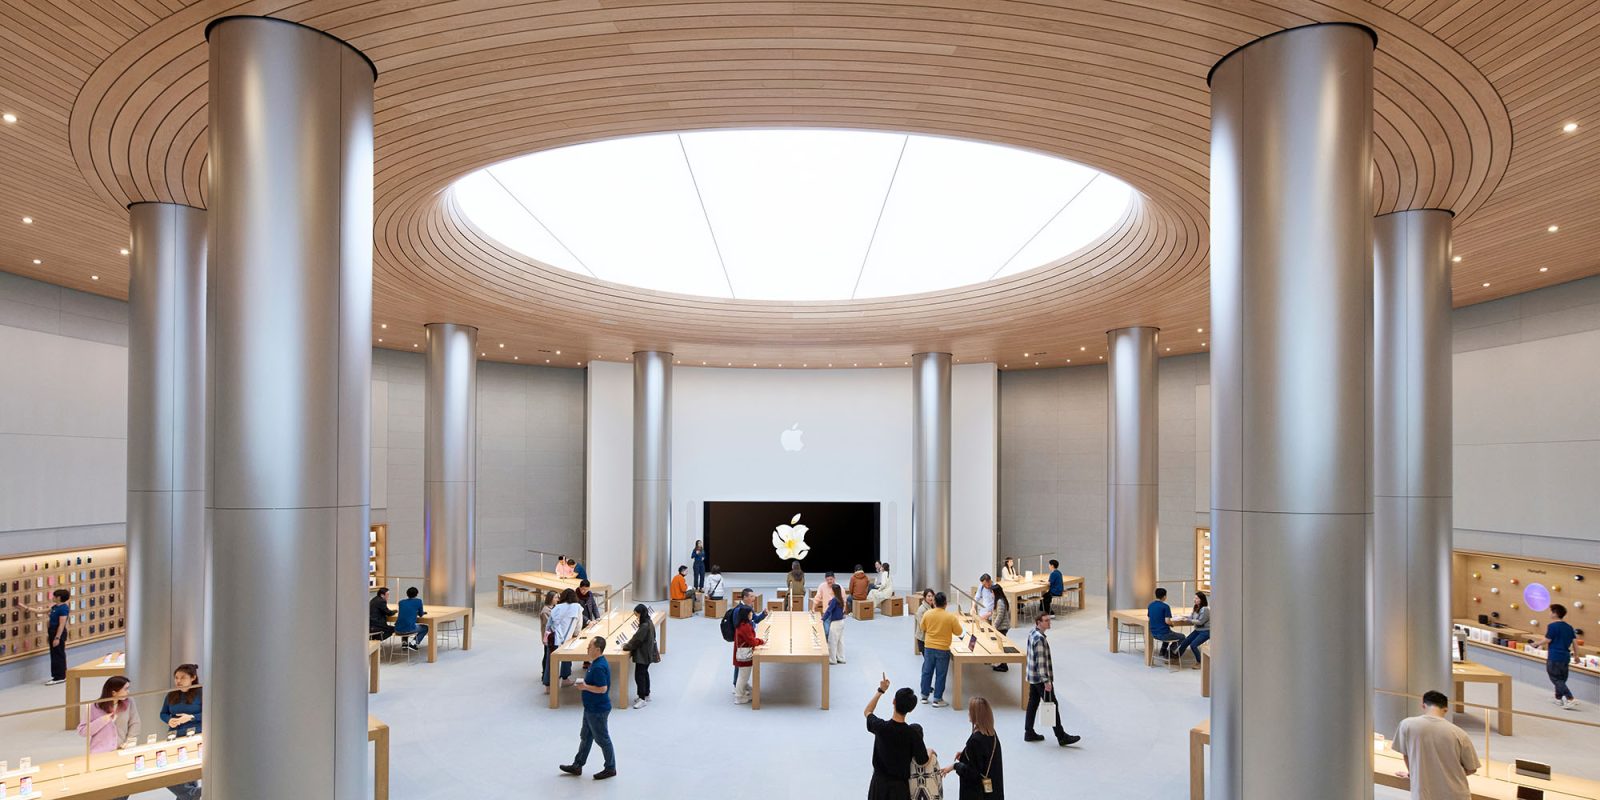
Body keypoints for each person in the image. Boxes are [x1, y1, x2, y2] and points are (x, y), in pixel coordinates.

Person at [1391, 690, 1480, 800]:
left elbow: (1406, 755)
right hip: (1455, 794)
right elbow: (1471, 769)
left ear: (1423, 706)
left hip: (1423, 793)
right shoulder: (1459, 734)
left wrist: (1414, 774)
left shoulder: (1407, 725)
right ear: (1446, 709)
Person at [864, 673, 930, 800]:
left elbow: (867, 711)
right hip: (900, 789)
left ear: (893, 701)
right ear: (911, 709)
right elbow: (922, 760)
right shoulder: (913, 734)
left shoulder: (880, 727)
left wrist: (881, 690)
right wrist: (930, 751)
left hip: (878, 785)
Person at [559, 636, 617, 780]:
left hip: (597, 710)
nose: (587, 648)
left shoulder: (598, 667)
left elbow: (603, 688)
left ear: (597, 649)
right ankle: (578, 765)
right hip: (590, 708)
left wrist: (584, 687)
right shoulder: (596, 663)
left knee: (602, 739)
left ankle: (610, 768)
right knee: (585, 737)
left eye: (590, 646)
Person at [1024, 613, 1080, 746]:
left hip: (1033, 676)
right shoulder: (1039, 639)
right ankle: (1061, 737)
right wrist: (1046, 681)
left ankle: (1029, 732)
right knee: (1052, 705)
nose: (1049, 622)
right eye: (1046, 621)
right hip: (1040, 678)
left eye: (1049, 620)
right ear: (1038, 622)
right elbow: (1041, 662)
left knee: (1033, 704)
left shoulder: (1032, 633)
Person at [943, 696, 1004, 799]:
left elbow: (971, 773)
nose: (968, 713)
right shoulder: (991, 733)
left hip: (976, 793)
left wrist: (955, 766)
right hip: (992, 790)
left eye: (970, 711)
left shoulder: (976, 740)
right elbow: (982, 757)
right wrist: (965, 754)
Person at [160, 664, 203, 800]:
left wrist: (191, 717)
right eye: (176, 678)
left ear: (193, 678)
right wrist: (169, 720)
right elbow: (163, 713)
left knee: (188, 773)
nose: (178, 681)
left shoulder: (201, 692)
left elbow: (210, 712)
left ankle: (191, 794)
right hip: (174, 737)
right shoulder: (171, 694)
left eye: (183, 677)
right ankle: (193, 794)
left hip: (195, 736)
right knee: (173, 773)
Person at [1532, 603, 1579, 709]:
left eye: (1551, 611)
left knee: (1555, 678)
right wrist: (1576, 656)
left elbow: (1548, 639)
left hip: (1555, 656)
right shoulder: (1569, 627)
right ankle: (1558, 699)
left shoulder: (1552, 626)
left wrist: (1536, 644)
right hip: (1565, 656)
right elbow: (1575, 643)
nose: (1549, 613)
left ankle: (1570, 698)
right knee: (1561, 678)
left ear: (1555, 613)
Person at [920, 592, 963, 707]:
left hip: (929, 647)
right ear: (945, 604)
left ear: (934, 602)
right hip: (943, 649)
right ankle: (937, 699)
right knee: (941, 674)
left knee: (927, 671)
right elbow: (958, 632)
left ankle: (924, 696)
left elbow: (922, 627)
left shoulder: (927, 614)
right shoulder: (950, 617)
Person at [79, 675, 141, 754]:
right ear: (114, 693)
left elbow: (135, 723)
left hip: (123, 749)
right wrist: (102, 721)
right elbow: (83, 731)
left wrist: (130, 741)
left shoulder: (129, 702)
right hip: (100, 752)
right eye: (125, 689)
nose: (128, 691)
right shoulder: (93, 707)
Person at [27, 588, 72, 685]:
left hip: (57, 633)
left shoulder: (64, 608)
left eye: (54, 596)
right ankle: (57, 676)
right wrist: (27, 608)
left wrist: (57, 638)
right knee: (54, 654)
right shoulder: (55, 607)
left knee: (58, 654)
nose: (53, 597)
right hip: (52, 631)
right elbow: (41, 611)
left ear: (59, 598)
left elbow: (61, 624)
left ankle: (60, 676)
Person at [545, 589, 585, 691]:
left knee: (551, 661)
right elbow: (578, 626)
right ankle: (565, 678)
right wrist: (575, 635)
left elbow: (549, 625)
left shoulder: (556, 608)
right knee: (566, 657)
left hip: (553, 637)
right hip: (567, 638)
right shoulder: (577, 607)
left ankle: (548, 685)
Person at [620, 604, 658, 709]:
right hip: (648, 653)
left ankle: (642, 698)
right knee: (644, 673)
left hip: (643, 654)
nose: (636, 616)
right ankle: (646, 694)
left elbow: (637, 640)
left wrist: (626, 647)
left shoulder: (644, 626)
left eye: (636, 614)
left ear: (640, 613)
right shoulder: (649, 622)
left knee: (639, 676)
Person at [732, 605, 766, 704]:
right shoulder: (745, 627)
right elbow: (751, 641)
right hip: (744, 655)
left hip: (741, 652)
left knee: (743, 675)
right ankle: (739, 697)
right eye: (750, 613)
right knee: (743, 676)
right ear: (746, 615)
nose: (752, 614)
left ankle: (742, 691)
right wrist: (761, 641)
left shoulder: (741, 624)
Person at [1172, 591, 1210, 667]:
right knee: (1185, 642)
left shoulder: (1205, 609)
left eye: (1196, 598)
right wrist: (1184, 617)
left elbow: (1200, 622)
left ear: (1201, 599)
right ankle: (1176, 659)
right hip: (1198, 630)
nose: (1194, 599)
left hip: (1205, 631)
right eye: (1194, 598)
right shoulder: (1196, 607)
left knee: (1193, 645)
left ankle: (1200, 662)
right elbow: (1192, 617)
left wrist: (1188, 620)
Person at [1149, 588, 1183, 658]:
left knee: (1169, 632)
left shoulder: (1150, 605)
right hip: (1163, 634)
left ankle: (1163, 651)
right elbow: (1167, 621)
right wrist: (1172, 624)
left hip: (1154, 633)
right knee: (1182, 637)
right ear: (1164, 596)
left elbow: (1150, 618)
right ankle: (1169, 652)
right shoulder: (1165, 606)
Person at [395, 586, 429, 651]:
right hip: (408, 629)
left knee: (405, 623)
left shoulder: (401, 602)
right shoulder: (418, 601)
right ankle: (413, 643)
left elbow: (406, 611)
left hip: (397, 629)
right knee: (425, 628)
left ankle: (404, 643)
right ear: (417, 594)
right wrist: (419, 612)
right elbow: (421, 614)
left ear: (407, 594)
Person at [538, 590, 559, 688]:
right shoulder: (546, 611)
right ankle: (544, 675)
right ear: (551, 599)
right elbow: (549, 625)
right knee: (547, 655)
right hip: (548, 637)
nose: (557, 599)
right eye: (555, 597)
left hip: (553, 636)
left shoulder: (555, 608)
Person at [823, 583, 847, 664]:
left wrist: (823, 619)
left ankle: (832, 659)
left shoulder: (834, 600)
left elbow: (829, 611)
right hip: (841, 622)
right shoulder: (840, 599)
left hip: (835, 623)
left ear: (833, 591)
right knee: (840, 641)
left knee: (832, 641)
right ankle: (841, 657)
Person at [990, 584, 1012, 672]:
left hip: (1001, 627)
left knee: (1001, 646)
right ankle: (1001, 663)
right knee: (1000, 645)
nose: (991, 594)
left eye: (992, 592)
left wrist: (994, 626)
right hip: (1000, 627)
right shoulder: (999, 600)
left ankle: (1004, 665)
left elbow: (1000, 615)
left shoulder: (1000, 602)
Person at [913, 588, 936, 655]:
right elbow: (922, 625)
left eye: (932, 596)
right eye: (929, 596)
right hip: (923, 638)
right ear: (925, 597)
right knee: (927, 659)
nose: (931, 598)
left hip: (930, 637)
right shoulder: (921, 609)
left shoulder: (933, 606)